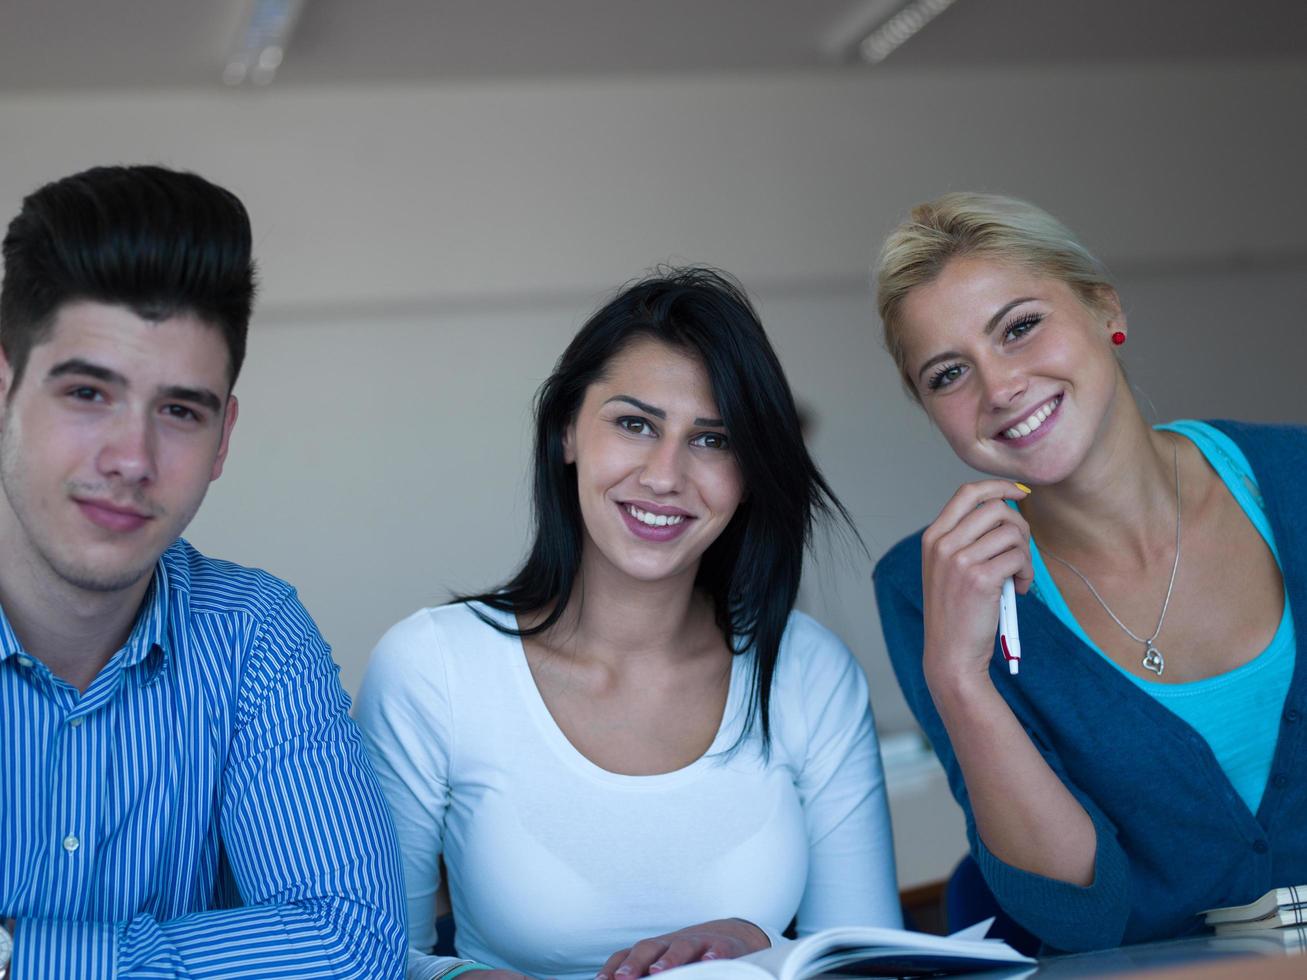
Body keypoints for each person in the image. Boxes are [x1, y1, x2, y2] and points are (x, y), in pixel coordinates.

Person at [356, 268, 901, 980]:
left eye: (712, 440)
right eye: (634, 424)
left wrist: (760, 945)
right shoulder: (433, 667)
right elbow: (361, 960)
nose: (664, 475)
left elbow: (871, 964)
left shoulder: (807, 668)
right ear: (565, 433)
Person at [871, 192, 1306, 953]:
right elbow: (1078, 918)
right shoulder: (926, 584)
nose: (998, 388)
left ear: (1106, 309)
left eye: (1019, 328)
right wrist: (956, 675)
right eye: (947, 374)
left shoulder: (1295, 479)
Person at [0, 165, 405, 978]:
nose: (131, 460)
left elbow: (352, 946)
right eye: (87, 392)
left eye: (180, 411)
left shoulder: (251, 635)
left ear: (222, 441)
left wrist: (17, 959)